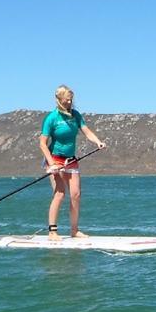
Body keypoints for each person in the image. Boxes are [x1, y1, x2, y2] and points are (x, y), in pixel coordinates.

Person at [39, 85, 106, 240]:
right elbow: (42, 143)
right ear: (59, 100)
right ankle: (52, 232)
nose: (69, 102)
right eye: (66, 100)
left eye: (70, 100)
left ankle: (74, 230)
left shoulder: (75, 115)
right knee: (60, 193)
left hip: (71, 160)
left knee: (76, 194)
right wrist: (51, 164)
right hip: (55, 159)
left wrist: (98, 142)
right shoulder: (52, 118)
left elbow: (86, 131)